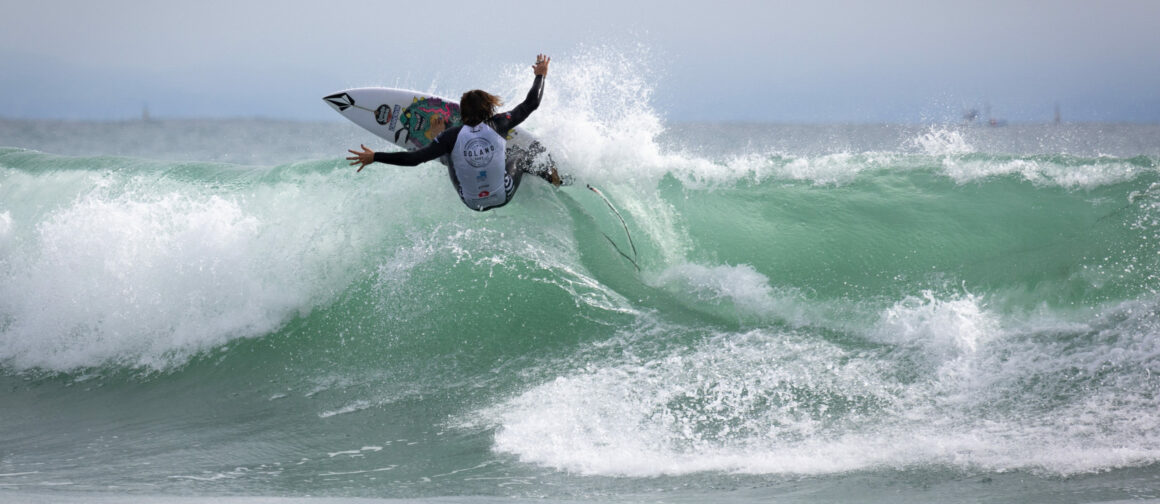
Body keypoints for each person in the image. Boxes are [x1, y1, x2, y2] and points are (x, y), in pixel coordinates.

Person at [347, 54, 560, 212]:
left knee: (449, 154)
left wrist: (375, 157)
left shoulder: (451, 136)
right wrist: (540, 75)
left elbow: (414, 159)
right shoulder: (499, 124)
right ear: (490, 109)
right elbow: (532, 103)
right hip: (503, 195)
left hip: (471, 202)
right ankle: (551, 177)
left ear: (462, 112)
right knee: (520, 155)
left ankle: (439, 146)